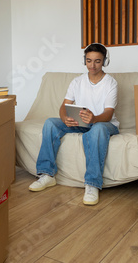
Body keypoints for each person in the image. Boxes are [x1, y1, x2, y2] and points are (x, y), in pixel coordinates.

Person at [28, 43, 119, 205]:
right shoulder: (77, 81)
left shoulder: (111, 83)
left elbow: (109, 113)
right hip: (81, 122)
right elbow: (64, 106)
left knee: (97, 129)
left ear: (105, 61)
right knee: (50, 123)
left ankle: (92, 184)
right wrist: (64, 118)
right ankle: (47, 175)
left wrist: (94, 118)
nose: (92, 65)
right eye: (89, 61)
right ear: (84, 60)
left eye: (97, 61)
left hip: (104, 124)